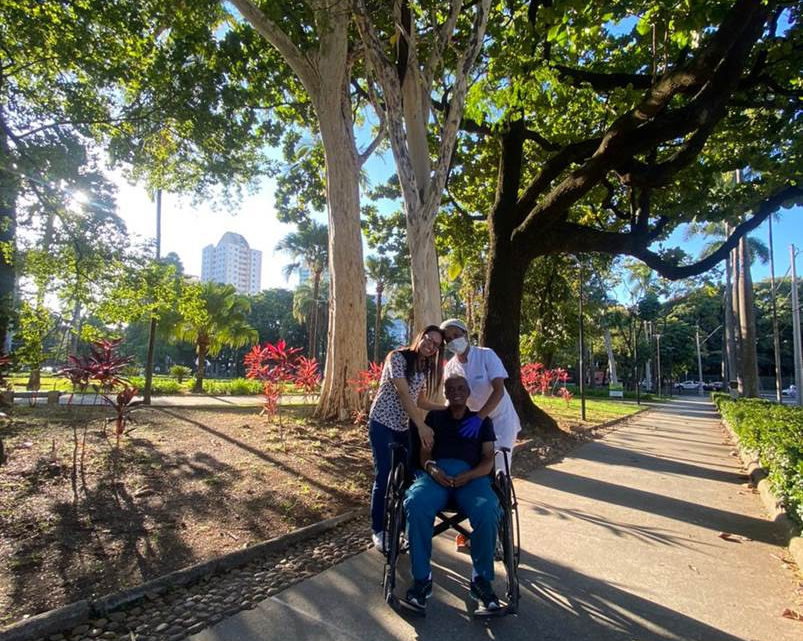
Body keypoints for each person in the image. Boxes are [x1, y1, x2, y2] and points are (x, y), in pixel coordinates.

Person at [402, 374, 502, 613]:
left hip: (471, 477)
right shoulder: (435, 417)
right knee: (416, 503)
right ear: (445, 394)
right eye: (451, 388)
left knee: (488, 510)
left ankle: (481, 581)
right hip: (437, 475)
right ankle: (422, 580)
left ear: (468, 393)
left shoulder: (482, 421)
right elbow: (425, 453)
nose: (456, 391)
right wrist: (431, 468)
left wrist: (470, 475)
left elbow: (489, 459)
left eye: (461, 388)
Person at [369, 325, 446, 552]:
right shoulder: (398, 357)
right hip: (382, 422)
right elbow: (403, 393)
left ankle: (401, 529)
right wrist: (421, 426)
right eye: (428, 340)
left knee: (406, 478)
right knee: (384, 474)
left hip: (402, 426)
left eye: (436, 345)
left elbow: (419, 400)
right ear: (420, 337)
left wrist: (446, 408)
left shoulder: (424, 368)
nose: (430, 346)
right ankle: (379, 530)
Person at [440, 318, 521, 472]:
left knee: (499, 468)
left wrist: (479, 418)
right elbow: (450, 399)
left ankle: (502, 495)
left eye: (456, 335)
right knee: (478, 468)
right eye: (448, 339)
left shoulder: (486, 355)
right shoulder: (450, 368)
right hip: (474, 425)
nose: (453, 340)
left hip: (500, 420)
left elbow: (499, 390)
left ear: (465, 334)